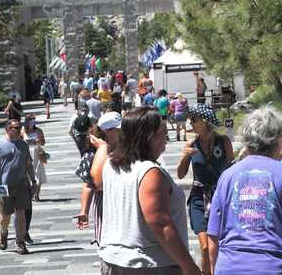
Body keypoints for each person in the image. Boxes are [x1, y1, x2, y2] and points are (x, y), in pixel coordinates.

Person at [206, 107, 282, 275]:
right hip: (277, 267)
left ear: (247, 141)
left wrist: (216, 269)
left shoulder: (227, 176)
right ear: (278, 140)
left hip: (230, 267)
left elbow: (213, 236)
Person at [91, 106, 201, 275]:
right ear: (148, 136)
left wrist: (102, 147)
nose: (166, 138)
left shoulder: (112, 163)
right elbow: (160, 222)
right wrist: (189, 266)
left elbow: (96, 181)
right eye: (163, 132)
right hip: (150, 263)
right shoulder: (149, 172)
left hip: (113, 259)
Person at [176, 104, 232, 274]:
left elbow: (232, 169)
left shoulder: (223, 142)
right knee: (206, 247)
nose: (190, 122)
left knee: (220, 245)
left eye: (193, 119)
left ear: (205, 121)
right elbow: (180, 174)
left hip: (219, 198)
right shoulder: (191, 143)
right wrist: (185, 157)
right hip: (199, 198)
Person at [0, 119, 36, 255]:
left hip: (22, 183)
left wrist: (33, 181)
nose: (18, 129)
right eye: (15, 127)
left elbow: (28, 164)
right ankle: (3, 233)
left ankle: (20, 241)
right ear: (8, 129)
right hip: (2, 185)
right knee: (5, 216)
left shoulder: (23, 144)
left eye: (19, 127)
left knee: (21, 212)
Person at [75, 111, 122, 244]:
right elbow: (89, 184)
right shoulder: (92, 154)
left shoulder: (128, 148)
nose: (123, 132)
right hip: (106, 203)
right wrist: (84, 211)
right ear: (107, 132)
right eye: (119, 129)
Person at [22, 115, 47, 202]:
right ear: (27, 122)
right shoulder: (23, 131)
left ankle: (37, 194)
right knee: (28, 174)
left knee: (38, 173)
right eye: (31, 120)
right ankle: (31, 193)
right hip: (27, 153)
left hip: (37, 152)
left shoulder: (38, 131)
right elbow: (20, 141)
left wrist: (37, 141)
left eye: (34, 120)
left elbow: (43, 142)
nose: (33, 122)